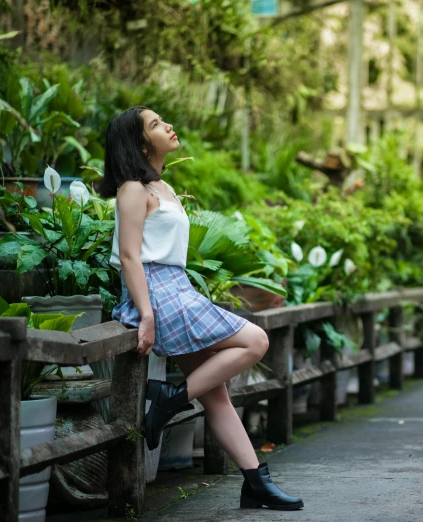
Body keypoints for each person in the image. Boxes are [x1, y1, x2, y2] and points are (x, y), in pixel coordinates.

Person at [99, 106, 303, 511]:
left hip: (178, 288)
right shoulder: (133, 189)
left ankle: (255, 482)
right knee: (256, 340)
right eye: (156, 124)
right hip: (156, 292)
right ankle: (172, 398)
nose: (168, 126)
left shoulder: (164, 187)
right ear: (141, 143)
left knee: (217, 397)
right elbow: (128, 256)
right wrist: (148, 313)